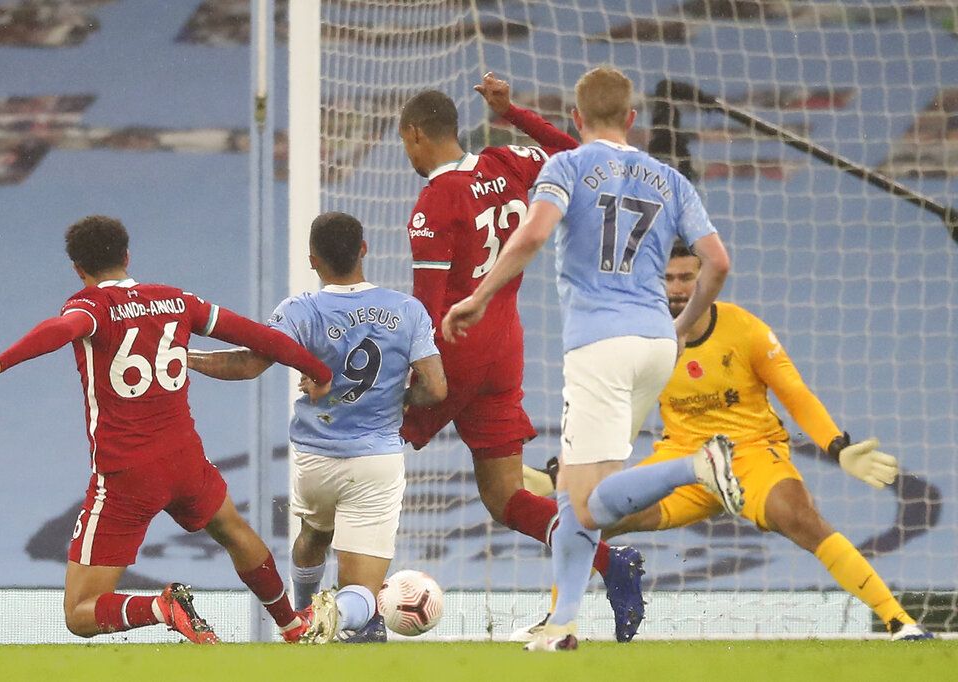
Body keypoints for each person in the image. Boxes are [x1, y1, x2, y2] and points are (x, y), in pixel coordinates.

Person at [442, 66, 743, 651]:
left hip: (600, 348)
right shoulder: (670, 179)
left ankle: (698, 467)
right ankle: (563, 625)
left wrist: (479, 296)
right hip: (655, 343)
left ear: (577, 119)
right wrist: (682, 323)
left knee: (585, 500)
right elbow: (718, 262)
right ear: (632, 120)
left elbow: (530, 236)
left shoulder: (568, 166)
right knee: (576, 495)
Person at [0, 215, 333, 644]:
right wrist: (317, 370)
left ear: (78, 268)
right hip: (186, 461)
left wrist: (1, 361)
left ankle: (161, 607)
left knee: (79, 613)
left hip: (127, 473)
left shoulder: (89, 307)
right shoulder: (176, 301)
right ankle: (291, 623)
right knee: (235, 533)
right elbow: (260, 336)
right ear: (127, 256)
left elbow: (60, 330)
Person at [524, 242, 933, 641]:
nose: (677, 287)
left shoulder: (745, 330)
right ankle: (558, 623)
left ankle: (899, 622)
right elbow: (618, 414)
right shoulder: (643, 340)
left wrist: (837, 446)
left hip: (751, 454)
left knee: (801, 518)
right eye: (667, 278)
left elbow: (795, 394)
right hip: (682, 460)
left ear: (705, 280)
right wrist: (566, 469)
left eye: (686, 276)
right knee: (586, 514)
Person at [397, 78, 646, 641]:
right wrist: (514, 114)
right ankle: (613, 563)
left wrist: (410, 378)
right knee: (505, 496)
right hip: (506, 341)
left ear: (416, 135)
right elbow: (575, 154)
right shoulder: (507, 161)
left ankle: (355, 606)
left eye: (406, 143)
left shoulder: (435, 201)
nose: (408, 155)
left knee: (367, 447)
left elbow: (425, 309)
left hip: (457, 346)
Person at [188, 212, 447, 644]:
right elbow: (436, 388)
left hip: (315, 459)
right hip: (375, 460)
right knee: (362, 597)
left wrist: (186, 356)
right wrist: (399, 397)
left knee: (313, 533)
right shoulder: (407, 310)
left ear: (312, 260)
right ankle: (322, 620)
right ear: (364, 249)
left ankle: (300, 613)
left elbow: (248, 364)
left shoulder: (299, 310)